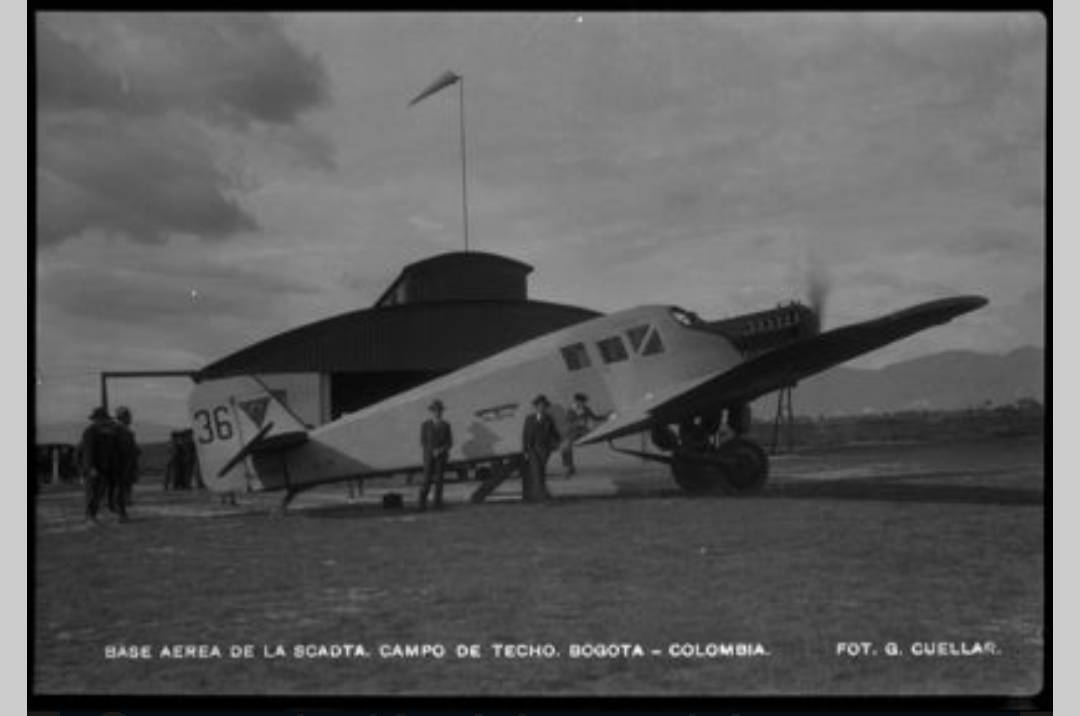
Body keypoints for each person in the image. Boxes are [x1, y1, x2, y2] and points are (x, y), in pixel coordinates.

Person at [79, 407, 120, 524]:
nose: (104, 421)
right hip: (93, 468)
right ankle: (89, 516)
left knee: (99, 492)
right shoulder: (90, 432)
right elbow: (88, 452)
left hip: (103, 467)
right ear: (96, 419)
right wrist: (90, 467)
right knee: (92, 493)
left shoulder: (104, 433)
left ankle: (94, 514)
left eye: (105, 419)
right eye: (102, 419)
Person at [521, 394, 560, 502]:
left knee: (541, 472)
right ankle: (541, 495)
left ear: (546, 407)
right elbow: (525, 435)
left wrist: (556, 444)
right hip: (532, 449)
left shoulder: (549, 419)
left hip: (545, 450)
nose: (542, 408)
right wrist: (525, 450)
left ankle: (540, 494)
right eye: (539, 406)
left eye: (544, 406)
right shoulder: (529, 419)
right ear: (536, 407)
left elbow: (555, 433)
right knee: (536, 472)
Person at [559, 392, 608, 477]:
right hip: (572, 432)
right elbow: (568, 423)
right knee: (564, 447)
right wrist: (577, 423)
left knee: (566, 446)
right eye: (581, 402)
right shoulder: (570, 410)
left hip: (583, 432)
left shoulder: (586, 409)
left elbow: (594, 417)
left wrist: (606, 417)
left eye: (583, 402)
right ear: (576, 401)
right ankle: (568, 467)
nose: (582, 404)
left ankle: (569, 468)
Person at [419, 399, 452, 510]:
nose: (437, 412)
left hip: (441, 457)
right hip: (428, 457)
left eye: (439, 410)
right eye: (435, 410)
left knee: (439, 481)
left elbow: (449, 442)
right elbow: (423, 441)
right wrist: (431, 451)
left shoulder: (446, 425)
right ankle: (422, 504)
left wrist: (441, 450)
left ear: (442, 412)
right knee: (426, 480)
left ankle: (437, 504)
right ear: (431, 412)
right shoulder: (425, 425)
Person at [114, 406, 139, 514]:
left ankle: (123, 506)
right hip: (120, 464)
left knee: (126, 486)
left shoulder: (128, 432)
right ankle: (120, 510)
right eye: (128, 416)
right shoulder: (116, 431)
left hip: (129, 464)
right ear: (122, 417)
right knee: (120, 488)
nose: (130, 418)